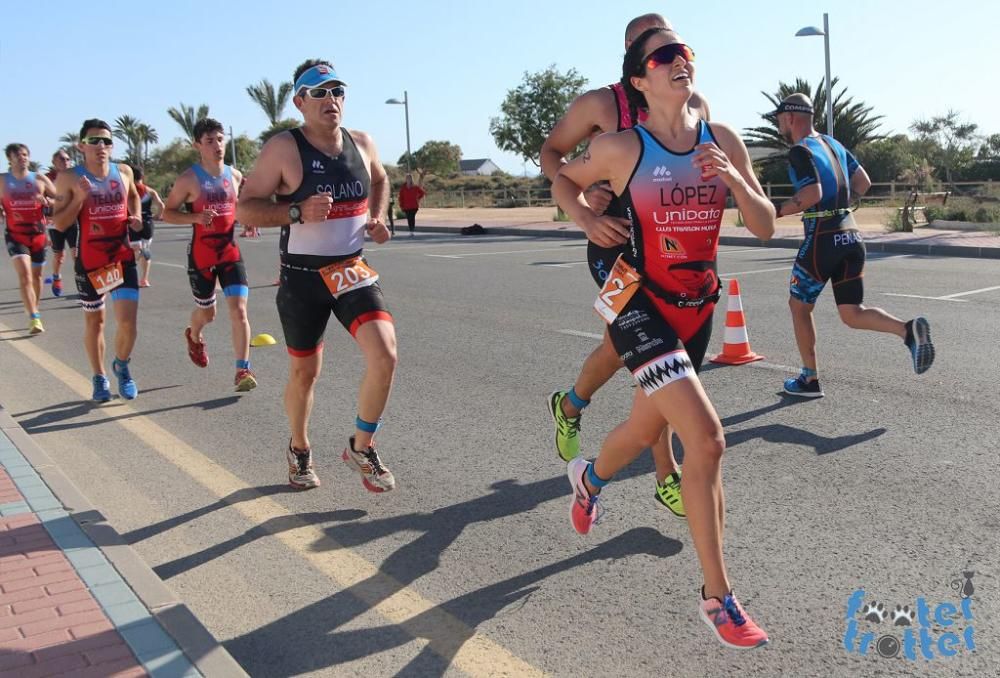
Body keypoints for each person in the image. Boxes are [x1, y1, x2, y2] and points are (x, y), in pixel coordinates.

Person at [552, 27, 775, 648]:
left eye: (687, 55)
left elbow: (762, 227)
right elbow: (561, 178)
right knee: (705, 439)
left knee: (648, 429)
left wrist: (733, 179)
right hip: (637, 305)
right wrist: (587, 215)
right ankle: (718, 599)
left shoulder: (722, 139)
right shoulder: (624, 145)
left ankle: (590, 478)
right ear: (640, 81)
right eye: (663, 58)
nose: (679, 63)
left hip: (696, 307)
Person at [539, 12, 711, 517]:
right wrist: (583, 206)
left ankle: (570, 404)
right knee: (656, 356)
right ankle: (666, 476)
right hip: (613, 243)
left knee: (629, 353)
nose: (671, 57)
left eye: (678, 49)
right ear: (632, 57)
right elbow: (553, 153)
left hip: (671, 254)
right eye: (654, 50)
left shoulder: (692, 104)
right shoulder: (600, 103)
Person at [236, 59, 397, 492]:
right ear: (299, 101)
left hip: (350, 270)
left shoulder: (361, 142)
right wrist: (295, 211)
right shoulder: (283, 149)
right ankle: (300, 449)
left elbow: (380, 180)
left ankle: (362, 447)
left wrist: (378, 217)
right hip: (303, 279)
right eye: (319, 92)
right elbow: (244, 207)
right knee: (305, 374)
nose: (331, 99)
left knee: (385, 355)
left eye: (337, 90)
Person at [774, 94, 935, 397]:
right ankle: (907, 330)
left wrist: (775, 210)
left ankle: (809, 380)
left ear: (790, 117)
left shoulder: (799, 150)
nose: (778, 123)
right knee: (851, 312)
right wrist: (840, 207)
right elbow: (863, 181)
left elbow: (810, 194)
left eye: (779, 118)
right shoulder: (833, 145)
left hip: (822, 237)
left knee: (799, 306)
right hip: (851, 234)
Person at [162, 118, 257, 392]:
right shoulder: (189, 179)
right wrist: (195, 216)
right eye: (210, 141)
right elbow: (167, 213)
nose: (217, 146)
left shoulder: (234, 176)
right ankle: (194, 335)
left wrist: (248, 218)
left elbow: (237, 207)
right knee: (208, 313)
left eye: (220, 139)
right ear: (197, 146)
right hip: (202, 256)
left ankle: (242, 369)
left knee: (239, 310)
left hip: (229, 252)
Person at [52, 119, 143, 402]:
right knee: (96, 323)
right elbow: (58, 223)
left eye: (106, 141)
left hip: (121, 258)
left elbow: (133, 198)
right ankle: (99, 376)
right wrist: (79, 197)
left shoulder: (124, 171)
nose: (101, 146)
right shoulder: (69, 178)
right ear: (82, 146)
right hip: (91, 260)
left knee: (128, 324)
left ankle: (122, 366)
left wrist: (136, 216)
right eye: (94, 141)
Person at [2, 143, 57, 334]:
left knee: (37, 276)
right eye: (17, 155)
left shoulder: (39, 179)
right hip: (15, 235)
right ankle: (34, 317)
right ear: (10, 159)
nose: (22, 158)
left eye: (25, 155)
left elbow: (61, 199)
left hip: (38, 234)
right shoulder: (2, 181)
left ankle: (35, 307)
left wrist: (48, 201)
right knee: (24, 274)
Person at [45, 149, 77, 297]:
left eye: (67, 159)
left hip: (72, 219)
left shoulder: (74, 177)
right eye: (61, 159)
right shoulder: (47, 179)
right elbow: (42, 199)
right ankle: (56, 277)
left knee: (76, 253)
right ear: (54, 162)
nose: (65, 162)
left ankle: (82, 284)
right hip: (55, 221)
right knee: (59, 256)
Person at [130, 167, 163, 288]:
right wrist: (157, 216)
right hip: (148, 223)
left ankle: (133, 274)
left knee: (135, 250)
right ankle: (144, 279)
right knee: (145, 249)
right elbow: (161, 205)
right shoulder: (150, 191)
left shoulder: (128, 191)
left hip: (133, 222)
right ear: (142, 177)